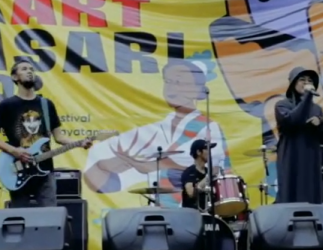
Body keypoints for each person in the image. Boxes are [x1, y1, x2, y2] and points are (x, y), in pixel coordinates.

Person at [83, 58, 231, 208]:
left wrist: (147, 164)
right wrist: (108, 164)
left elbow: (216, 169)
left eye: (179, 82)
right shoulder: (153, 131)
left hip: (198, 207)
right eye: (168, 81)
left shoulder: (208, 127)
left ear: (197, 89)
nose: (171, 88)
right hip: (161, 211)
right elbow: (97, 177)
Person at [0, 60, 86, 208]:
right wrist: (14, 151)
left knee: (51, 216)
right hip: (18, 168)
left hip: (45, 170)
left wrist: (80, 143)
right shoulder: (7, 105)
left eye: (31, 69)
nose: (29, 71)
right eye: (24, 69)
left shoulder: (46, 104)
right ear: (14, 77)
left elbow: (59, 137)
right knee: (21, 216)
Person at [274, 67, 323, 204]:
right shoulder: (282, 105)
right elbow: (292, 121)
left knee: (310, 194)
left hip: (311, 159)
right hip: (291, 158)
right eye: (302, 80)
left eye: (309, 81)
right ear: (293, 83)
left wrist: (321, 123)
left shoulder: (316, 109)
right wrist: (307, 97)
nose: (306, 83)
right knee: (290, 193)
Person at [180, 139, 216, 211]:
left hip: (209, 211)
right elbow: (191, 193)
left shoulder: (208, 171)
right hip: (193, 213)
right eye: (206, 149)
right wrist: (208, 177)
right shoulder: (189, 172)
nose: (209, 152)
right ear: (198, 152)